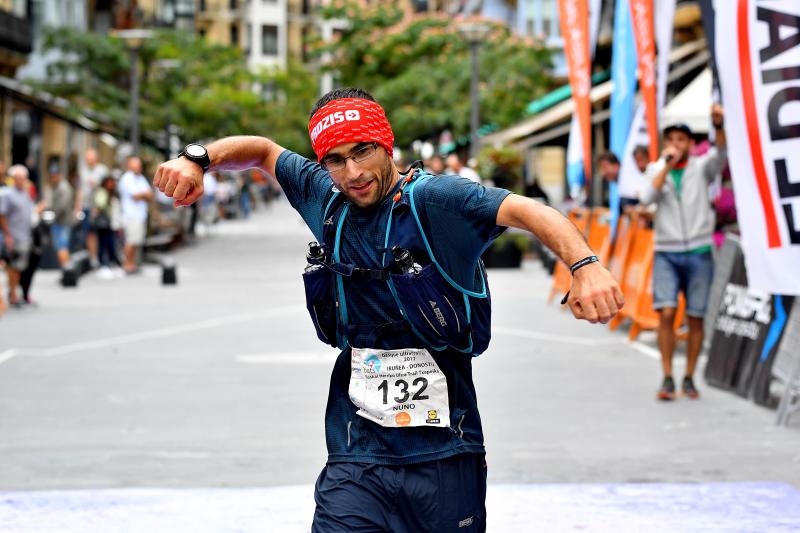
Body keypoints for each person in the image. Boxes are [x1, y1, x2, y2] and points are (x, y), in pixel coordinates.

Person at [153, 88, 623, 533]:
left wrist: (585, 266)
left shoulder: (437, 201)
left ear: (386, 144)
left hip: (444, 456)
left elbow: (529, 211)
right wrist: (198, 159)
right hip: (356, 455)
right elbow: (262, 150)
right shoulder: (326, 198)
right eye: (335, 160)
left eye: (363, 152)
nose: (352, 173)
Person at [640, 105, 727, 402]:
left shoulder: (701, 167)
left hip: (699, 250)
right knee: (665, 312)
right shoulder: (656, 169)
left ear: (690, 143)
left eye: (681, 140)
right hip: (666, 251)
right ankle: (666, 376)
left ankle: (689, 377)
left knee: (696, 317)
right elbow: (647, 198)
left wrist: (719, 126)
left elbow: (722, 156)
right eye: (671, 140)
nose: (675, 145)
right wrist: (665, 166)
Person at [0, 165, 37, 307]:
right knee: (12, 266)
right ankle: (13, 294)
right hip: (13, 235)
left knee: (20, 267)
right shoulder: (6, 194)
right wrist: (7, 234)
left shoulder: (26, 194)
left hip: (25, 235)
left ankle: (14, 292)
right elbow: (2, 215)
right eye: (18, 178)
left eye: (23, 178)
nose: (21, 181)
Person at [118, 157, 153, 274]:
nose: (138, 168)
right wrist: (144, 195)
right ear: (129, 166)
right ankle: (126, 264)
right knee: (131, 241)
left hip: (140, 215)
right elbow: (135, 196)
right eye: (135, 165)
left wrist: (143, 195)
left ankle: (132, 264)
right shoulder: (127, 179)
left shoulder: (140, 178)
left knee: (136, 241)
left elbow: (149, 195)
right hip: (131, 215)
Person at [41, 157, 77, 267]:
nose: (53, 178)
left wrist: (53, 216)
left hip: (62, 222)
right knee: (61, 247)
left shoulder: (63, 187)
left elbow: (63, 206)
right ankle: (66, 269)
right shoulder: (55, 186)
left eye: (55, 175)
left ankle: (67, 270)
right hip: (59, 222)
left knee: (62, 247)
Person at [78, 148, 109, 266]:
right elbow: (80, 189)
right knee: (89, 232)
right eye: (87, 159)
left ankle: (103, 257)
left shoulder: (102, 170)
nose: (88, 161)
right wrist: (78, 206)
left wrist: (97, 185)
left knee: (101, 232)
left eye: (90, 158)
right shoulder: (83, 171)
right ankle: (93, 258)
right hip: (86, 206)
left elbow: (107, 189)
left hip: (99, 207)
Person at [92, 175, 121, 276]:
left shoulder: (114, 193)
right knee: (103, 243)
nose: (111, 185)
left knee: (111, 243)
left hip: (111, 223)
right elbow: (100, 204)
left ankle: (110, 263)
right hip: (103, 223)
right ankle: (103, 264)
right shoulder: (102, 192)